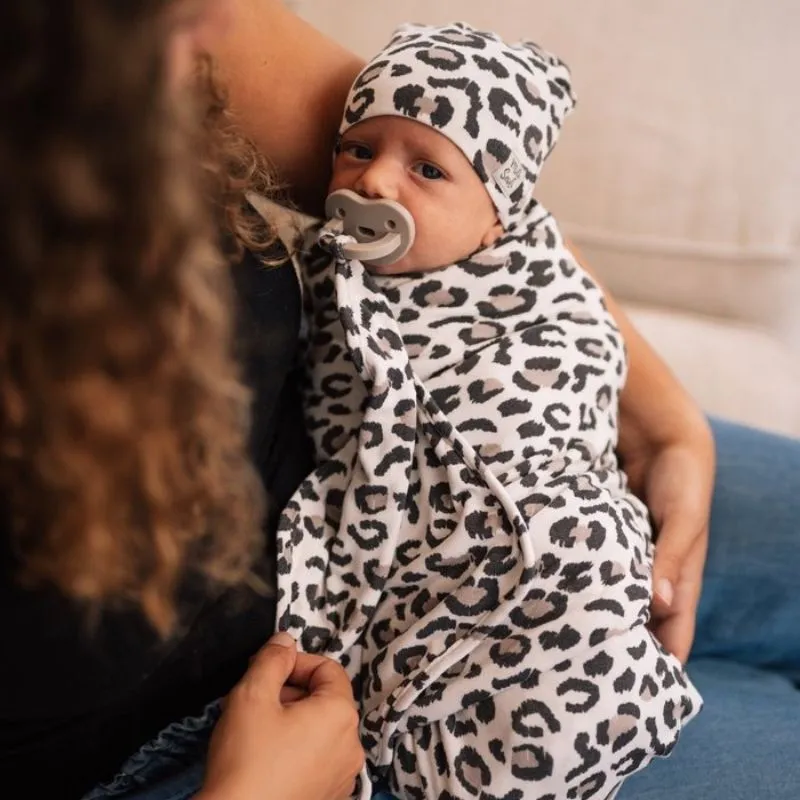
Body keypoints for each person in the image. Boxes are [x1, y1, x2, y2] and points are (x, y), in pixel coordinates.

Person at [0, 2, 797, 800]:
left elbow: (452, 142)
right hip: (263, 711)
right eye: (359, 154)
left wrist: (661, 421)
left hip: (501, 475)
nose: (214, 28)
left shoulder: (154, 31)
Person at [280, 22, 700, 799]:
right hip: (416, 536)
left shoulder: (535, 282)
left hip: (551, 489)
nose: (374, 185)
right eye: (360, 148)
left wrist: (679, 434)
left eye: (428, 169)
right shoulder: (330, 272)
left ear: (497, 220)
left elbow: (582, 364)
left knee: (586, 558)